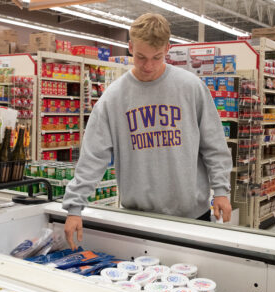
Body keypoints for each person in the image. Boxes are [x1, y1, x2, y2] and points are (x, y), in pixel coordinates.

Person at [63, 13, 232, 249]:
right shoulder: (114, 97)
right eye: (141, 57)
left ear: (168, 49)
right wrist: (74, 207)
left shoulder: (191, 87)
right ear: (130, 47)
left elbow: (213, 144)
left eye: (157, 57)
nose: (148, 66)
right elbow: (93, 155)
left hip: (193, 216)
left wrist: (222, 191)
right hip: (138, 219)